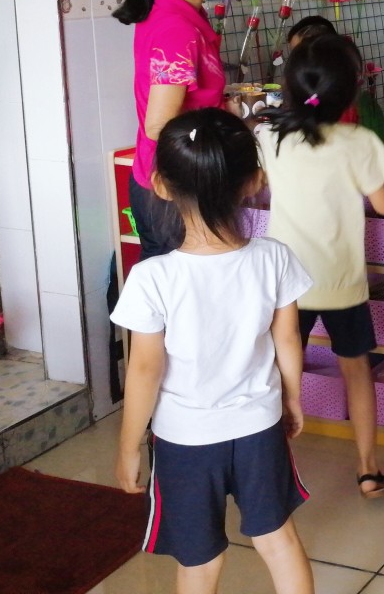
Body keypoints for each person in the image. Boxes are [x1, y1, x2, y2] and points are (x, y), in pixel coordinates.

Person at [111, 108, 315, 594]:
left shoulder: (152, 278)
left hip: (184, 440)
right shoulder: (274, 257)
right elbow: (287, 339)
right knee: (279, 541)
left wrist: (127, 447)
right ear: (254, 181)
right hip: (258, 426)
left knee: (199, 563)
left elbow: (144, 370)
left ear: (160, 185)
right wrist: (291, 399)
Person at [256, 34, 384, 499]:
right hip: (342, 282)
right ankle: (368, 469)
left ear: (290, 87)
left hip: (286, 285)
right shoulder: (359, 142)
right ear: (349, 91)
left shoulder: (269, 136)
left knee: (282, 374)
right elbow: (383, 204)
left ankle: (273, 472)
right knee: (357, 370)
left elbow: (254, 183)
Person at [113, 0, 265, 259]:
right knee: (178, 294)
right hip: (176, 190)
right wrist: (226, 125)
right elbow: (159, 125)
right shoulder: (175, 31)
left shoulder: (175, 4)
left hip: (178, 181)